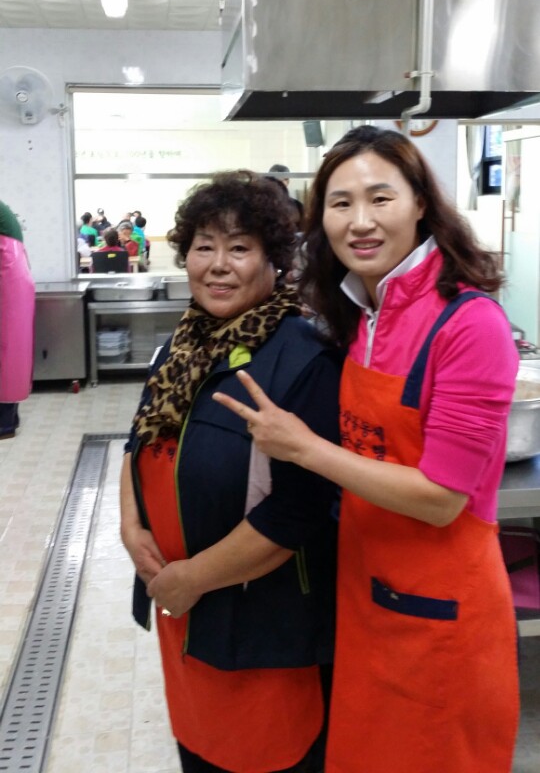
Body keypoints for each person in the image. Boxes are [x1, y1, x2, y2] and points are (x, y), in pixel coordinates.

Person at [214, 128, 520, 773]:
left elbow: (442, 498)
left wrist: (304, 449)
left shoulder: (469, 323)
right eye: (340, 203)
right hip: (364, 595)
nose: (360, 222)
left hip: (442, 611)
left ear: (420, 204)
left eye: (381, 198)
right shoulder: (358, 312)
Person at [120, 170, 343, 773]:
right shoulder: (182, 344)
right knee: (198, 750)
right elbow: (140, 436)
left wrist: (191, 579)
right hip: (182, 608)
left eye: (240, 248)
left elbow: (298, 511)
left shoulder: (304, 358)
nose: (218, 265)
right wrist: (130, 525)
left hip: (261, 623)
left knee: (266, 755)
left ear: (275, 262)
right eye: (204, 247)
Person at [0, 201, 35, 439]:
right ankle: (9, 419)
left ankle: (4, 424)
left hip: (8, 285)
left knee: (6, 357)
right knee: (11, 356)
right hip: (14, 284)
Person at [268, 164, 304, 232]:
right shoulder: (263, 206)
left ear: (288, 181)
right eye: (276, 180)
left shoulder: (297, 206)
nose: (279, 183)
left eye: (284, 179)